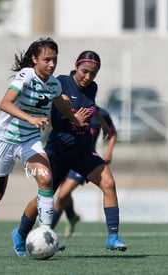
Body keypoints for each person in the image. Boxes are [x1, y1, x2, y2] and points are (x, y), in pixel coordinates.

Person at [0, 38, 86, 257]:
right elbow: (5, 104)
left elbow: (59, 102)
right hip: (4, 139)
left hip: (29, 140)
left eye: (54, 59)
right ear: (35, 59)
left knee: (46, 179)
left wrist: (75, 119)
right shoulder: (25, 75)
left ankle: (46, 233)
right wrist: (31, 118)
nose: (52, 64)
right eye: (46, 59)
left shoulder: (54, 84)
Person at [11, 50, 127, 256]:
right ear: (76, 66)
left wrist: (103, 124)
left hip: (82, 151)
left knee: (109, 183)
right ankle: (20, 233)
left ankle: (113, 237)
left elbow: (91, 108)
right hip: (58, 151)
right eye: (84, 72)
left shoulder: (92, 87)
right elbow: (51, 99)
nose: (88, 77)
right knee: (44, 197)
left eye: (93, 73)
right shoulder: (61, 82)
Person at [52, 106, 117, 238]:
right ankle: (72, 217)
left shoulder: (102, 113)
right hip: (64, 156)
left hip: (84, 159)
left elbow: (113, 132)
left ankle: (47, 231)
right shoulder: (68, 109)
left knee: (63, 194)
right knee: (63, 194)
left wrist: (109, 152)